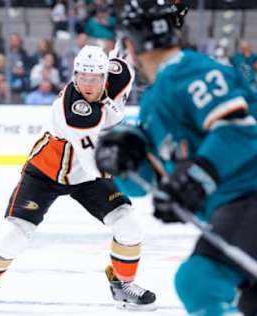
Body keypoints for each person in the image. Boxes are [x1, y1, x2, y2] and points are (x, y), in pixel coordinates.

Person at [0, 45, 156, 311]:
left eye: (94, 78)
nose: (87, 84)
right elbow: (93, 164)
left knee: (128, 225)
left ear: (105, 76)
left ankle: (123, 285)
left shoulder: (120, 74)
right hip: (46, 172)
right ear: (74, 75)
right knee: (14, 234)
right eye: (82, 77)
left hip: (85, 176)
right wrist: (133, 172)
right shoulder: (73, 109)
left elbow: (128, 55)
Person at [95, 1, 257, 315]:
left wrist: (195, 178)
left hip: (249, 196)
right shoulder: (157, 98)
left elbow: (239, 131)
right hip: (234, 204)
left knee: (199, 282)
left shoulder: (191, 70)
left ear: (129, 43)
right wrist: (126, 158)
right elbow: (149, 183)